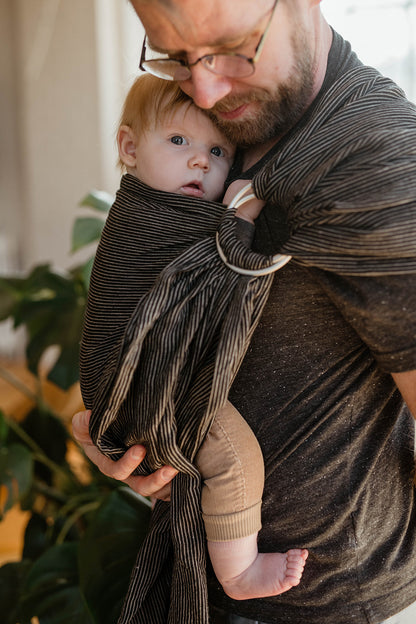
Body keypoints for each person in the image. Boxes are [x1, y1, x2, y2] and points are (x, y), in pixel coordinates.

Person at [73, 0, 416, 623]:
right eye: (175, 57)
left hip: (330, 604)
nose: (204, 88)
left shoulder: (380, 167)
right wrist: (129, 414)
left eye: (232, 47)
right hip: (192, 575)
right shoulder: (217, 120)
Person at [79, 72, 307, 603]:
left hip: (144, 379)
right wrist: (241, 220)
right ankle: (239, 572)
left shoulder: (161, 210)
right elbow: (216, 269)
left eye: (218, 150)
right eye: (178, 142)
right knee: (233, 456)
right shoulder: (146, 216)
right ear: (130, 148)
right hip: (145, 381)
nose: (202, 161)